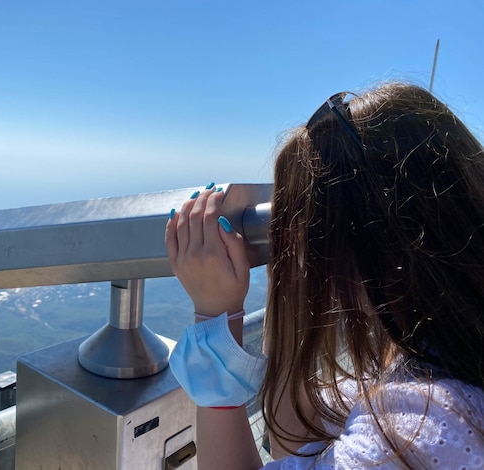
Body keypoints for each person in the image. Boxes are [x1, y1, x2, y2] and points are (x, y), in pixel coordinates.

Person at [165, 82, 484, 469]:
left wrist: (215, 318)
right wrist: (291, 279)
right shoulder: (441, 357)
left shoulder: (417, 432)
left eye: (307, 235)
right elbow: (297, 443)